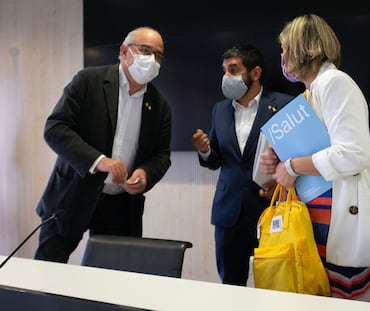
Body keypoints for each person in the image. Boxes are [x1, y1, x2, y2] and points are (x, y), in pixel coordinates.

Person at [259, 14, 370, 302]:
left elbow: (351, 154)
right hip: (317, 218)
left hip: (340, 218)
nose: (281, 56)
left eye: (284, 48)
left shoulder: (334, 82)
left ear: (301, 46)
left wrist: (292, 166)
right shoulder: (310, 94)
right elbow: (317, 156)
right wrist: (278, 167)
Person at [34, 26, 172, 263]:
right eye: (145, 51)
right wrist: (99, 161)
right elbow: (55, 129)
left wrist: (144, 173)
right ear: (123, 51)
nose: (152, 60)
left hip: (120, 206)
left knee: (112, 282)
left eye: (158, 55)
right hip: (72, 196)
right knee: (48, 271)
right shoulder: (89, 81)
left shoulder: (159, 105)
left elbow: (161, 155)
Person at [192, 44, 293, 286]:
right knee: (230, 286)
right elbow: (217, 160)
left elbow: (298, 154)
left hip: (270, 210)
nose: (226, 76)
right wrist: (205, 150)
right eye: (224, 70)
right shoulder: (220, 109)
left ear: (255, 73)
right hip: (228, 214)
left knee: (274, 286)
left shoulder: (284, 105)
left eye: (233, 70)